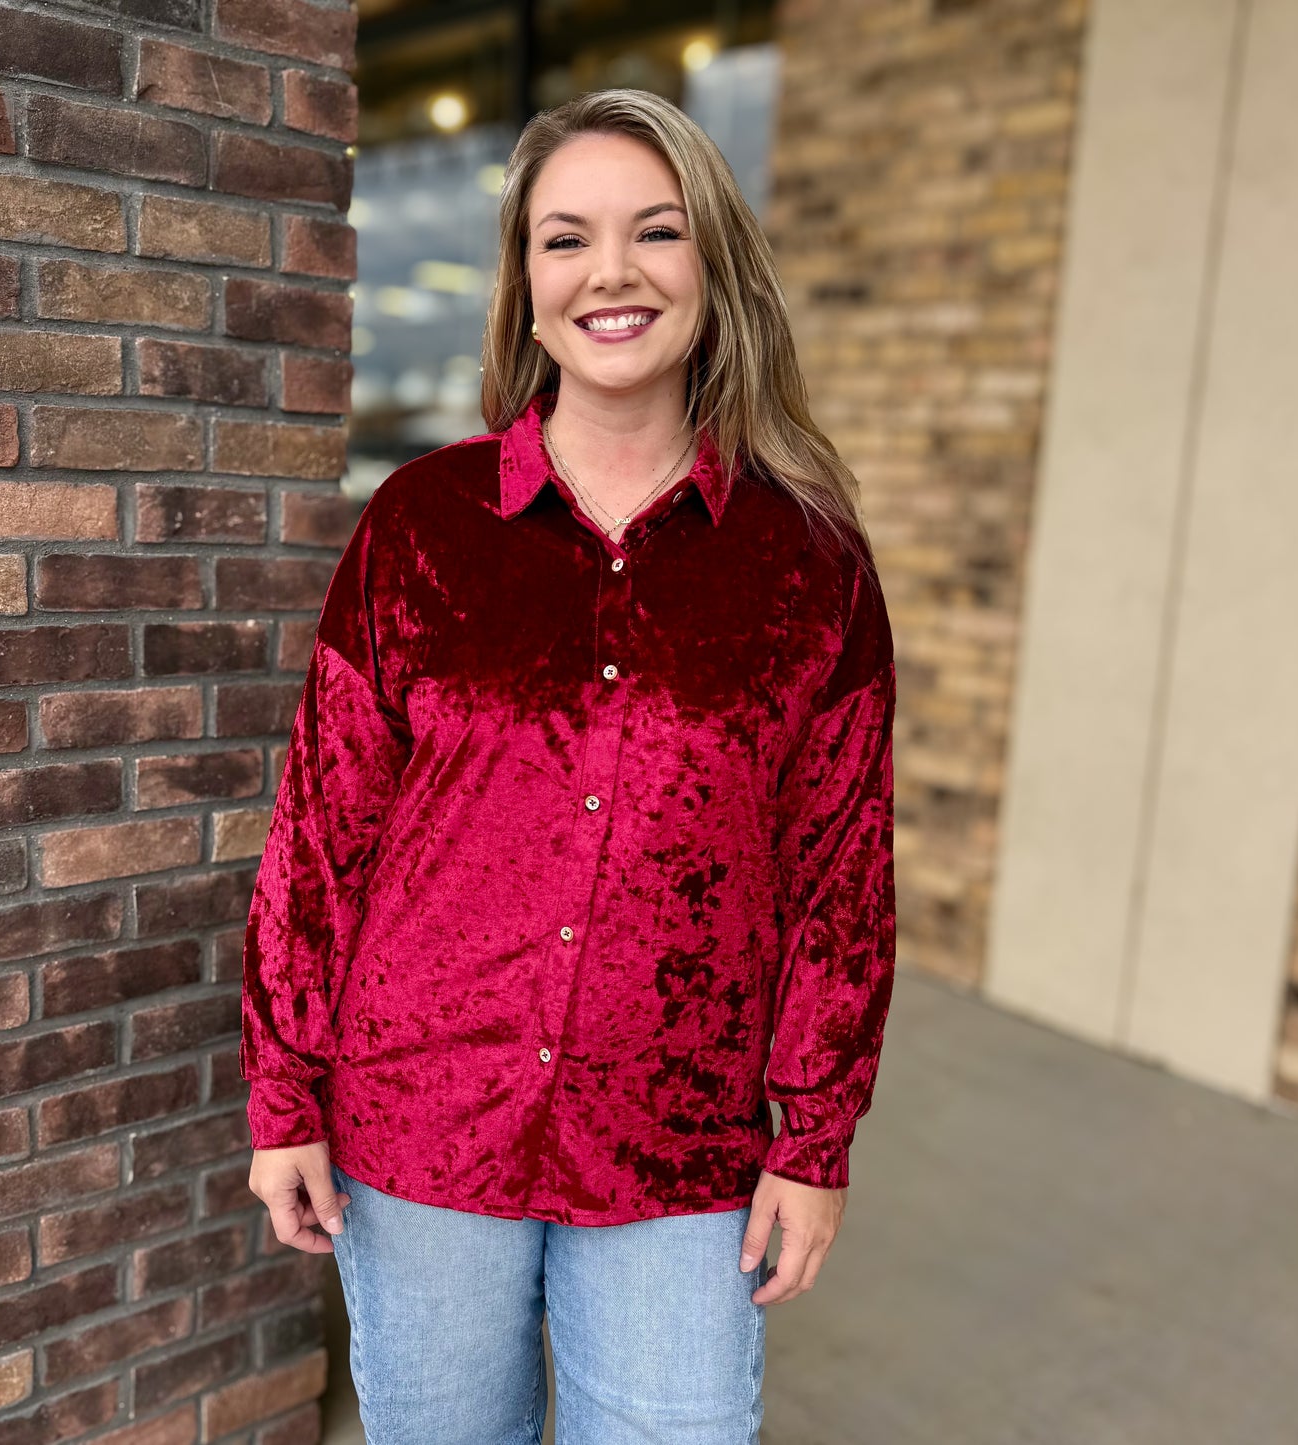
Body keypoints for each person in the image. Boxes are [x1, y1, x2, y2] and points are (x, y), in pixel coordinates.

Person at [241, 87, 897, 1444]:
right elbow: (321, 828)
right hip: (422, 1126)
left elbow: (839, 878)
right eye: (564, 239)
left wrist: (812, 1137)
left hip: (679, 1146)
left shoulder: (806, 563)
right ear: (524, 288)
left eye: (655, 232)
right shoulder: (421, 528)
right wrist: (283, 1094)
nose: (611, 272)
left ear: (711, 267)